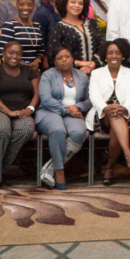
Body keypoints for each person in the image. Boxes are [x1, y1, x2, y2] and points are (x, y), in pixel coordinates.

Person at [0, 40, 38, 189]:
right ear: (3, 53)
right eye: (11, 52)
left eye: (18, 54)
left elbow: (37, 94)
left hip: (22, 112)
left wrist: (30, 108)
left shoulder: (29, 71)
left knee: (26, 129)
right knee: (2, 129)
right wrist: (7, 112)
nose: (14, 56)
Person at [36, 45, 91, 189]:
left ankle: (50, 167)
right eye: (59, 58)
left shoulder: (82, 76)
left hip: (73, 112)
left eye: (67, 56)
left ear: (72, 58)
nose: (64, 60)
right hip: (49, 112)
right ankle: (60, 172)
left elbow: (89, 100)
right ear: (54, 61)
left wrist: (78, 108)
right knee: (58, 130)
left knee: (79, 132)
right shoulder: (47, 75)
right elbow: (46, 99)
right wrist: (67, 110)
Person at [86, 39, 130, 185]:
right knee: (113, 114)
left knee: (117, 121)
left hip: (124, 114)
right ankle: (128, 156)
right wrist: (106, 107)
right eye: (110, 53)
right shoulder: (96, 73)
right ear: (105, 55)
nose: (114, 56)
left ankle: (109, 167)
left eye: (117, 53)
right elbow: (94, 96)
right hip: (101, 115)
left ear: (123, 55)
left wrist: (124, 108)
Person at [47, 0, 103, 74]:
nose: (77, 5)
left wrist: (93, 64)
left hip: (96, 73)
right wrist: (79, 64)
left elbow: (102, 48)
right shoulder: (58, 28)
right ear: (65, 3)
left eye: (80, 3)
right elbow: (53, 56)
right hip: (70, 75)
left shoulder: (92, 24)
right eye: (73, 2)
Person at [0, 0, 43, 70]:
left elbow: (41, 50)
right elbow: (2, 52)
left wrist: (37, 60)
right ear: (17, 4)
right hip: (15, 71)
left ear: (33, 6)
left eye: (29, 5)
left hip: (34, 71)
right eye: (22, 4)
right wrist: (22, 64)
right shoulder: (10, 25)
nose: (25, 8)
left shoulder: (37, 26)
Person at [34, 0, 62, 64]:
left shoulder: (63, 8)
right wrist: (45, 58)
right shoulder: (41, 12)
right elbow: (40, 38)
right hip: (49, 56)